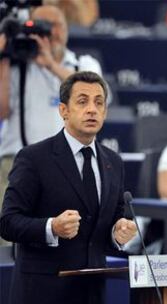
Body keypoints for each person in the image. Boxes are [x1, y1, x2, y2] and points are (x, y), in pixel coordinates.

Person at [0, 71, 137, 304]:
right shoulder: (34, 158)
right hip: (43, 292)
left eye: (98, 103)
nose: (92, 109)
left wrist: (119, 232)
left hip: (92, 291)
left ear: (105, 112)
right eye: (82, 101)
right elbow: (8, 223)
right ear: (64, 110)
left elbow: (112, 221)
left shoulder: (113, 161)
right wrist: (52, 227)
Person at [0, 5, 102, 245]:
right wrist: (3, 60)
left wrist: (49, 64)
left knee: (67, 236)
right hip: (16, 160)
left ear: (66, 30)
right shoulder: (17, 66)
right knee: (8, 236)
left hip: (68, 165)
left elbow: (96, 92)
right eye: (41, 27)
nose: (50, 34)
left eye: (55, 26)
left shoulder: (82, 64)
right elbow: (2, 111)